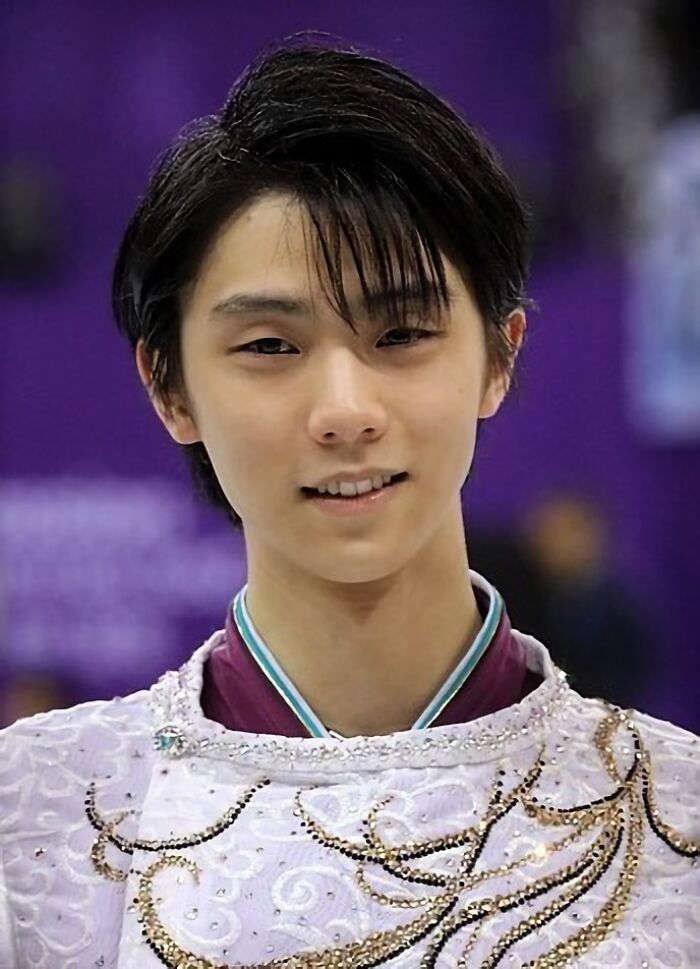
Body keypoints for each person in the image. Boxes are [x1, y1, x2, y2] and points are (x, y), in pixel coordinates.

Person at [0, 42, 697, 969]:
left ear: (501, 354)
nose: (345, 412)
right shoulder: (34, 813)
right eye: (271, 346)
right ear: (168, 385)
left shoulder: (679, 812)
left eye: (402, 332)